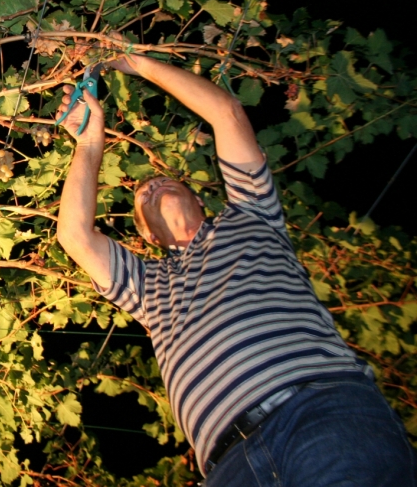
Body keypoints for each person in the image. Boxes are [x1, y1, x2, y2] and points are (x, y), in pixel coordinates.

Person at [55, 53, 416, 485]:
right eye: (142, 195)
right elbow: (74, 237)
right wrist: (89, 143)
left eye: (162, 181)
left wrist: (132, 62)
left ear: (203, 202)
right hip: (231, 465)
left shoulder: (251, 214)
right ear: (148, 239)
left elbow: (226, 113)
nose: (152, 184)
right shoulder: (148, 287)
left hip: (320, 414)